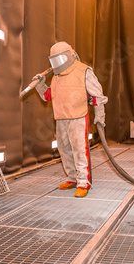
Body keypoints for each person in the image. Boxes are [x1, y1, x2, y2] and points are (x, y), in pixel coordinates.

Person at [34, 41, 107, 198]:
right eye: (54, 60)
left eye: (59, 59)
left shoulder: (84, 71)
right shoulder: (56, 76)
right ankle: (72, 178)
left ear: (69, 56)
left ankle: (83, 182)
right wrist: (40, 85)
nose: (57, 64)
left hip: (78, 117)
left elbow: (98, 97)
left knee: (79, 150)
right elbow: (49, 96)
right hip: (61, 118)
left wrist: (100, 117)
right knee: (64, 149)